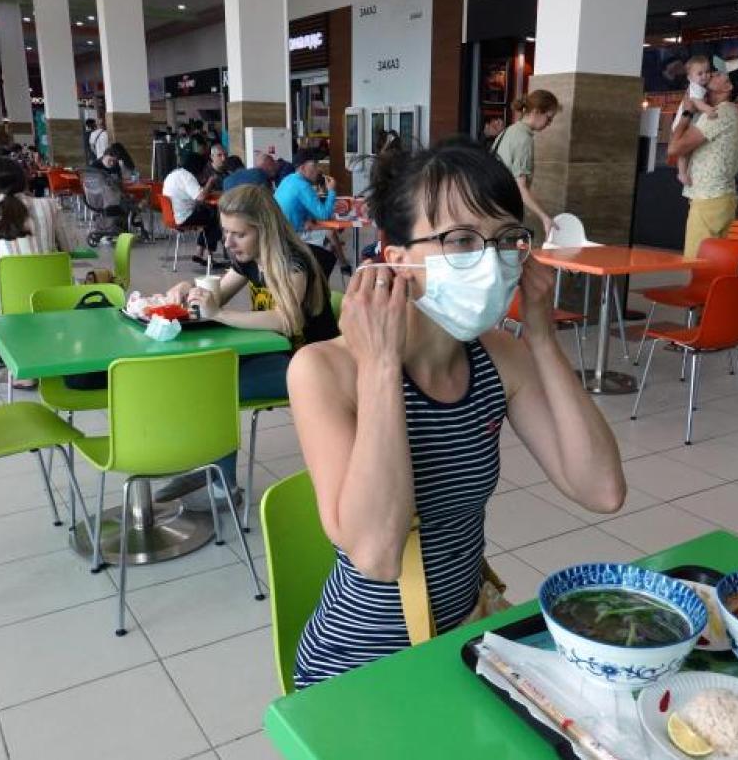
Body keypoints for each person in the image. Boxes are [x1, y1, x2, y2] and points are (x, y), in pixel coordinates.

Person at [286, 138, 625, 689]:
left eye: (506, 240)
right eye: (461, 241)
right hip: (360, 667)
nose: (490, 263)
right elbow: (374, 554)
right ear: (397, 260)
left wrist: (540, 333)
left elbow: (601, 490)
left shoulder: (499, 358)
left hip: (466, 638)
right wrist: (379, 366)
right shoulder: (325, 370)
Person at [155, 184, 339, 505]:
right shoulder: (250, 259)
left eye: (238, 234)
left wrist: (221, 313)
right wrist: (188, 290)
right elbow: (217, 296)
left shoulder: (294, 262)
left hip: (313, 365)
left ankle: (221, 483)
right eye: (225, 232)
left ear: (264, 229)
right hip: (280, 357)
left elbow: (287, 321)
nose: (228, 242)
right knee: (206, 375)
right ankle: (213, 466)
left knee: (218, 387)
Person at [0, 158, 77, 322]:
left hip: (3, 308)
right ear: (23, 181)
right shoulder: (50, 205)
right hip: (55, 302)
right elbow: (70, 249)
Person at [667, 57, 738, 259]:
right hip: (718, 198)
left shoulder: (720, 113)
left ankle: (704, 292)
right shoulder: (730, 112)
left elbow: (674, 148)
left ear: (728, 86)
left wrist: (687, 112)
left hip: (709, 199)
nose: (712, 73)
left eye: (720, 74)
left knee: (697, 263)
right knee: (712, 264)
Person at [491, 90, 560, 241]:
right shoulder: (524, 139)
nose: (549, 124)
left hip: (491, 206)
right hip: (505, 211)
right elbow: (520, 189)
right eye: (548, 118)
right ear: (536, 112)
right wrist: (544, 217)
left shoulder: (509, 131)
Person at [275, 149, 338, 274]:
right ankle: (319, 286)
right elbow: (324, 215)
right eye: (314, 166)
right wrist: (331, 191)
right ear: (303, 168)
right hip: (291, 237)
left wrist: (307, 217)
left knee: (329, 236)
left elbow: (299, 206)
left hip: (280, 233)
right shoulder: (303, 186)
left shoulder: (288, 179)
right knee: (330, 246)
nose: (318, 169)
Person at [162, 151, 221, 261]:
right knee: (217, 217)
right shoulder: (187, 177)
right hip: (184, 217)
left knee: (208, 214)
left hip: (172, 217)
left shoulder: (174, 174)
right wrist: (210, 182)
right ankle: (209, 257)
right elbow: (200, 197)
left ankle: (199, 252)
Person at [673, 55, 718, 187]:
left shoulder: (699, 86)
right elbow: (695, 101)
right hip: (684, 124)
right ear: (689, 77)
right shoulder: (695, 88)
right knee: (683, 151)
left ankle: (684, 172)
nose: (705, 76)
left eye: (707, 72)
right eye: (700, 73)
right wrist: (707, 109)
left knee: (686, 151)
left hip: (688, 123)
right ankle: (681, 173)